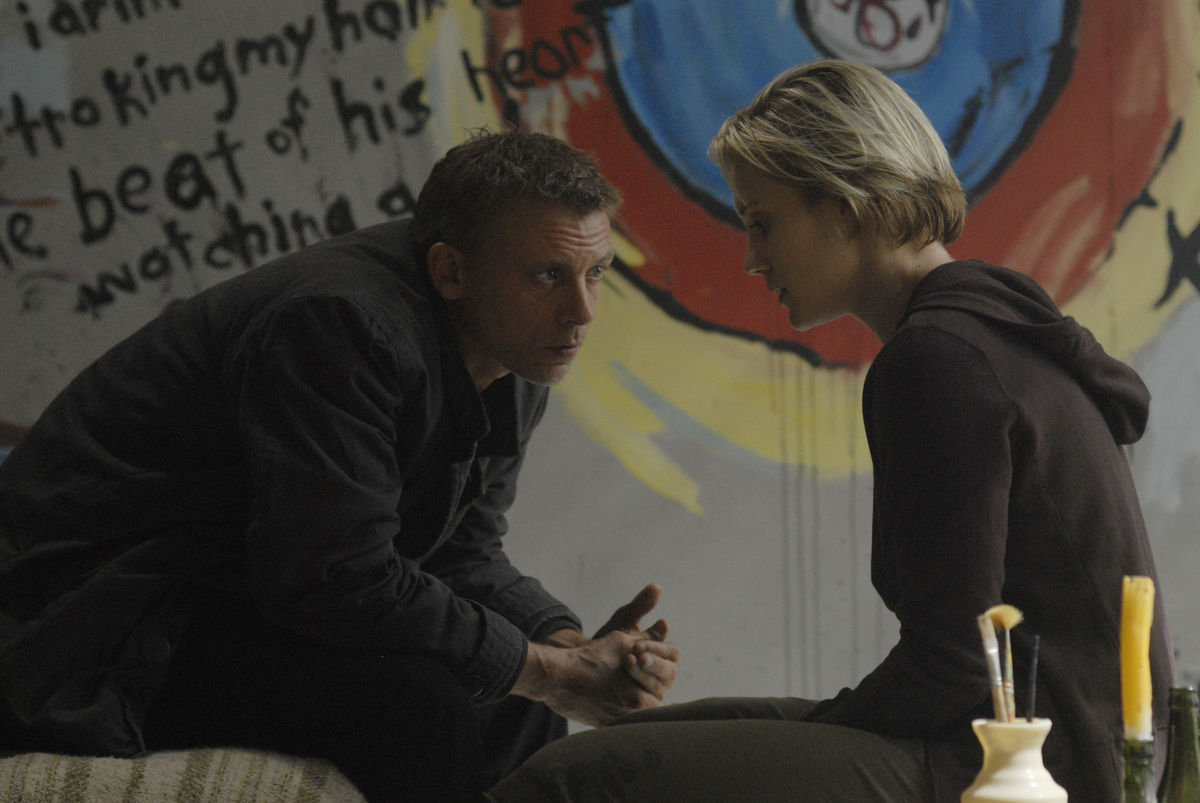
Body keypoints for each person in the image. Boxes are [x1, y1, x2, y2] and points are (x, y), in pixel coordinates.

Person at [487, 60, 1173, 802]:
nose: (752, 258)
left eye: (763, 222)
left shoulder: (941, 359)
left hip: (1037, 763)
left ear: (846, 207)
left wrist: (825, 730)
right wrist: (819, 730)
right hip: (1052, 739)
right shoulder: (981, 330)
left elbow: (952, 662)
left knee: (570, 782)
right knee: (620, 748)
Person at [0, 129, 680, 802]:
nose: (581, 312)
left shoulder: (517, 349)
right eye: (547, 276)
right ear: (450, 270)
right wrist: (545, 670)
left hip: (239, 588)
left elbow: (460, 550)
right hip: (93, 623)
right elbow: (336, 576)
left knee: (523, 706)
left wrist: (567, 646)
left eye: (596, 272)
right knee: (425, 703)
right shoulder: (340, 322)